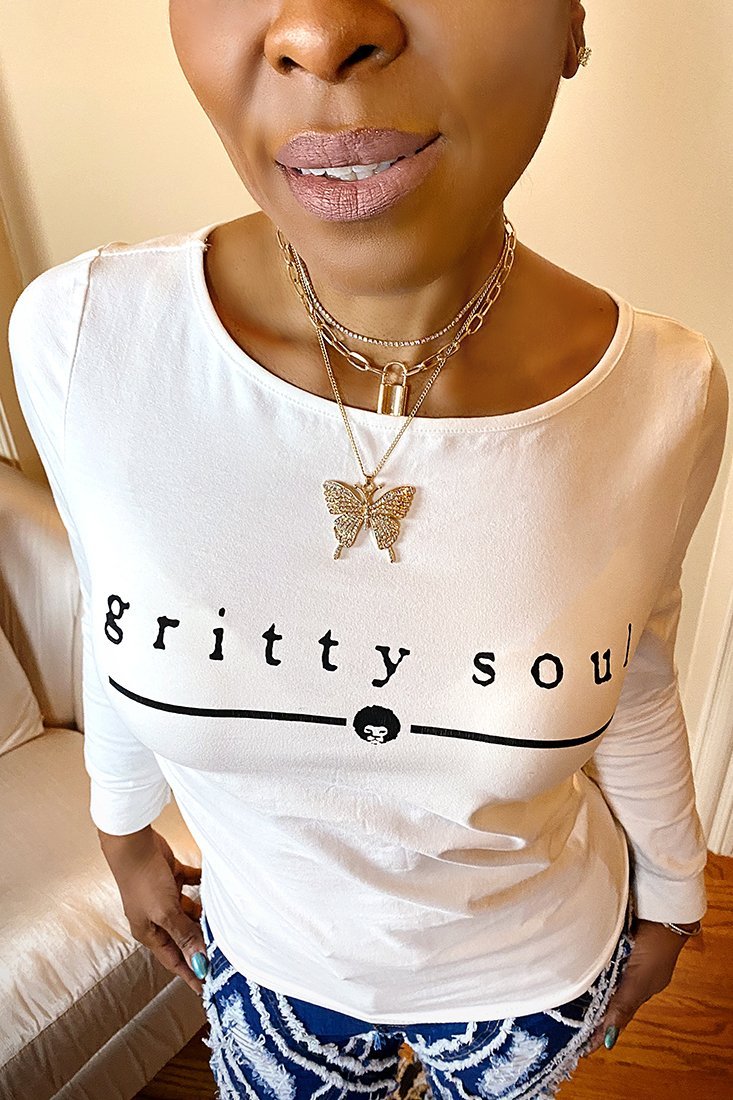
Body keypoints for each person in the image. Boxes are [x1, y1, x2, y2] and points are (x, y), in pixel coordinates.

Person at [8, 2, 729, 1098]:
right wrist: (123, 831)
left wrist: (673, 893)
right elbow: (118, 606)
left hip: (528, 972)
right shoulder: (86, 339)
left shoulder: (663, 396)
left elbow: (633, 669)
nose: (317, 30)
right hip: (264, 960)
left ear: (570, 24)